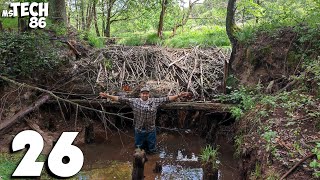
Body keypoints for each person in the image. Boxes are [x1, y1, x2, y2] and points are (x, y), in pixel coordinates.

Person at [99, 86, 189, 154]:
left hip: (151, 129)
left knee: (152, 149)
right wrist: (107, 95)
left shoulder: (155, 101)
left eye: (146, 93)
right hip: (139, 129)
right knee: (138, 150)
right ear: (140, 94)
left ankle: (152, 162)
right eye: (143, 93)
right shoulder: (134, 101)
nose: (144, 95)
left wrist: (178, 95)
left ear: (148, 94)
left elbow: (168, 99)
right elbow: (120, 99)